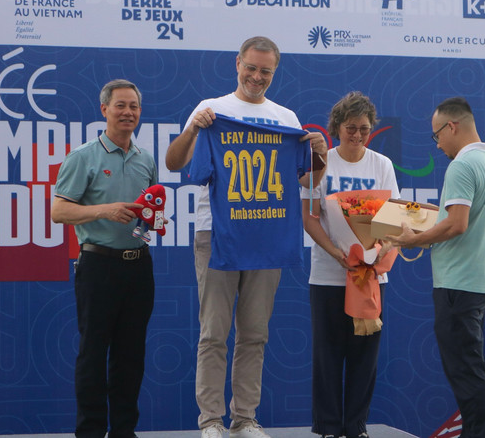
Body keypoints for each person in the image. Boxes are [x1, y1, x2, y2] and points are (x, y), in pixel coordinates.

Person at [164, 36, 327, 438]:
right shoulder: (211, 110)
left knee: (255, 333)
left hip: (268, 236)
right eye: (251, 67)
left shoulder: (288, 119)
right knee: (214, 332)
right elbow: (174, 163)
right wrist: (193, 131)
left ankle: (245, 419)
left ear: (275, 72)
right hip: (217, 234)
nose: (257, 76)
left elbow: (307, 182)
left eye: (265, 71)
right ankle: (211, 421)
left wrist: (320, 154)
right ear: (237, 64)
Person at [388, 97, 485, 438]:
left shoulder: (462, 166)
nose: (437, 144)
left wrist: (412, 240)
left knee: (466, 372)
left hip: (459, 283)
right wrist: (423, 217)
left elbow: (456, 224)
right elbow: (454, 217)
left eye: (437, 135)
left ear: (451, 127)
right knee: (469, 369)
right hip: (477, 281)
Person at [51, 79, 157, 438]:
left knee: (131, 356)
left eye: (134, 107)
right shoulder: (83, 157)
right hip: (98, 266)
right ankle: (91, 431)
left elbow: (147, 213)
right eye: (121, 106)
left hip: (139, 266)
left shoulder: (146, 159)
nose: (128, 112)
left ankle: (124, 431)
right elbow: (58, 211)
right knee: (93, 354)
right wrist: (105, 210)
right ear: (104, 110)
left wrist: (152, 225)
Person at [300, 91, 400, 438]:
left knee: (364, 357)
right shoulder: (320, 162)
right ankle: (328, 427)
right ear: (336, 127)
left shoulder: (381, 165)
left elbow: (394, 221)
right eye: (350, 128)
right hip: (329, 276)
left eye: (364, 129)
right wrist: (337, 254)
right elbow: (310, 218)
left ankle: (356, 426)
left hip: (370, 278)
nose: (357, 135)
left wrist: (376, 253)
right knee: (327, 357)